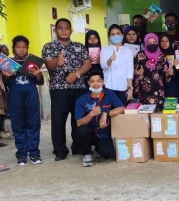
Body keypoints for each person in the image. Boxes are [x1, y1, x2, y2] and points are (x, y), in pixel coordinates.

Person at [42, 18, 92, 161]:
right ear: (55, 30)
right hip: (59, 89)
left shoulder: (79, 46)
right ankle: (60, 151)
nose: (64, 30)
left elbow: (87, 63)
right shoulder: (49, 47)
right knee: (58, 121)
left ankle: (78, 147)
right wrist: (57, 62)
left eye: (66, 28)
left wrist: (76, 74)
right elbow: (49, 65)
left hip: (78, 88)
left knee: (78, 119)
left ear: (71, 30)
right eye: (60, 28)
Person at [3, 35, 44, 165]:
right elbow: (7, 84)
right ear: (14, 48)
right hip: (15, 94)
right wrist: (6, 76)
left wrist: (38, 74)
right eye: (18, 47)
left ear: (27, 48)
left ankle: (34, 154)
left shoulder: (33, 62)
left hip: (31, 92)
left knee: (33, 123)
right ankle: (21, 155)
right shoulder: (8, 63)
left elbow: (41, 81)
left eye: (24, 47)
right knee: (18, 124)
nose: (21, 50)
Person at [75, 70, 124, 167]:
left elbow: (122, 108)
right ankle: (87, 154)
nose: (96, 84)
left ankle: (98, 150)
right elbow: (79, 123)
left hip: (103, 133)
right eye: (92, 81)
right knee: (81, 130)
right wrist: (91, 114)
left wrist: (106, 113)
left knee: (108, 154)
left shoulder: (109, 94)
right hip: (88, 133)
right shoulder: (82, 99)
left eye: (98, 81)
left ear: (103, 82)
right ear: (88, 83)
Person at [134, 33, 169, 111]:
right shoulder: (139, 55)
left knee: (157, 113)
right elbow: (133, 70)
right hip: (143, 90)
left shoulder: (162, 56)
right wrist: (138, 72)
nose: (152, 44)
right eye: (150, 43)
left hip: (157, 89)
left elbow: (165, 72)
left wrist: (170, 71)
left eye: (154, 42)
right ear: (146, 43)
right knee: (144, 113)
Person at [100, 24, 134, 104]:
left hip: (123, 87)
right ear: (109, 36)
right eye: (113, 34)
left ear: (122, 35)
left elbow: (129, 72)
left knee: (121, 111)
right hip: (108, 86)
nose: (116, 36)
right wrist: (110, 60)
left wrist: (130, 88)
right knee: (108, 111)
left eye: (118, 33)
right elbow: (103, 65)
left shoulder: (128, 51)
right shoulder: (105, 49)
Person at [159, 33, 179, 98]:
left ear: (170, 42)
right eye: (162, 41)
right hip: (159, 85)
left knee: (170, 106)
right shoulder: (156, 55)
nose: (164, 43)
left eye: (167, 41)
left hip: (172, 85)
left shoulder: (176, 54)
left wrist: (175, 67)